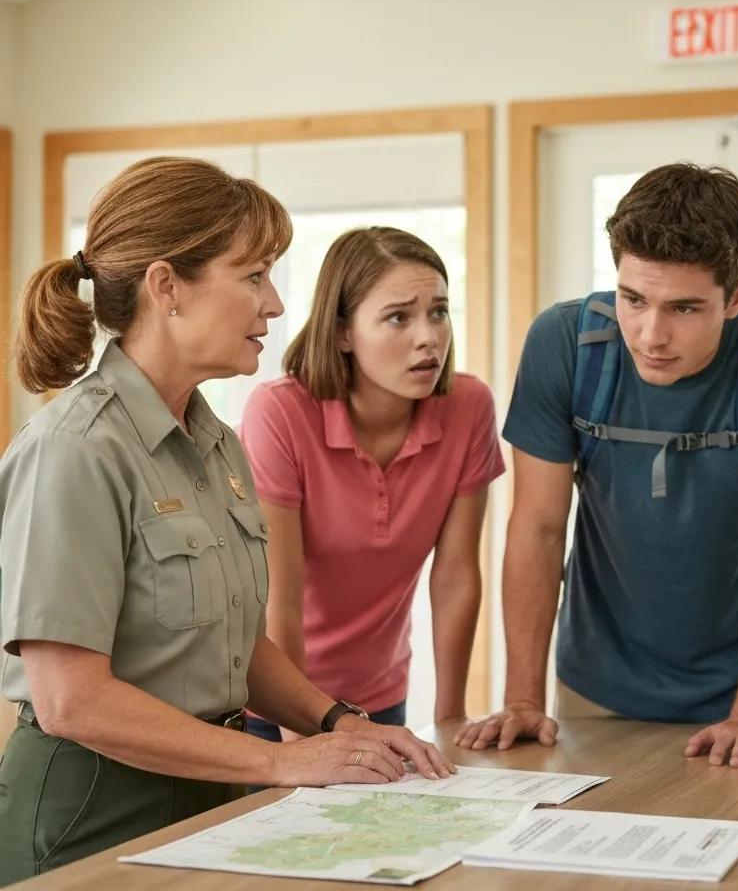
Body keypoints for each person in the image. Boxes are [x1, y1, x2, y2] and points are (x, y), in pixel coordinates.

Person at [0, 158, 452, 886]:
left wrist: (340, 723)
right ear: (167, 287)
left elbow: (237, 645)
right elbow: (70, 701)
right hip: (89, 814)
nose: (275, 305)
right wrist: (281, 760)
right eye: (253, 277)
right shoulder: (74, 450)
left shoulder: (217, 444)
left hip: (210, 792)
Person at [456, 163, 738, 767]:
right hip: (594, 685)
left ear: (737, 296)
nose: (650, 334)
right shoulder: (564, 343)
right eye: (633, 299)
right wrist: (522, 698)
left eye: (685, 309)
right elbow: (537, 526)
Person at [241, 227, 504, 741]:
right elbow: (279, 598)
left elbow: (454, 577)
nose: (428, 337)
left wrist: (451, 720)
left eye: (439, 312)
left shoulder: (469, 407)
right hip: (273, 709)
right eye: (398, 317)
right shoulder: (280, 412)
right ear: (342, 332)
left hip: (380, 701)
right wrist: (303, 741)